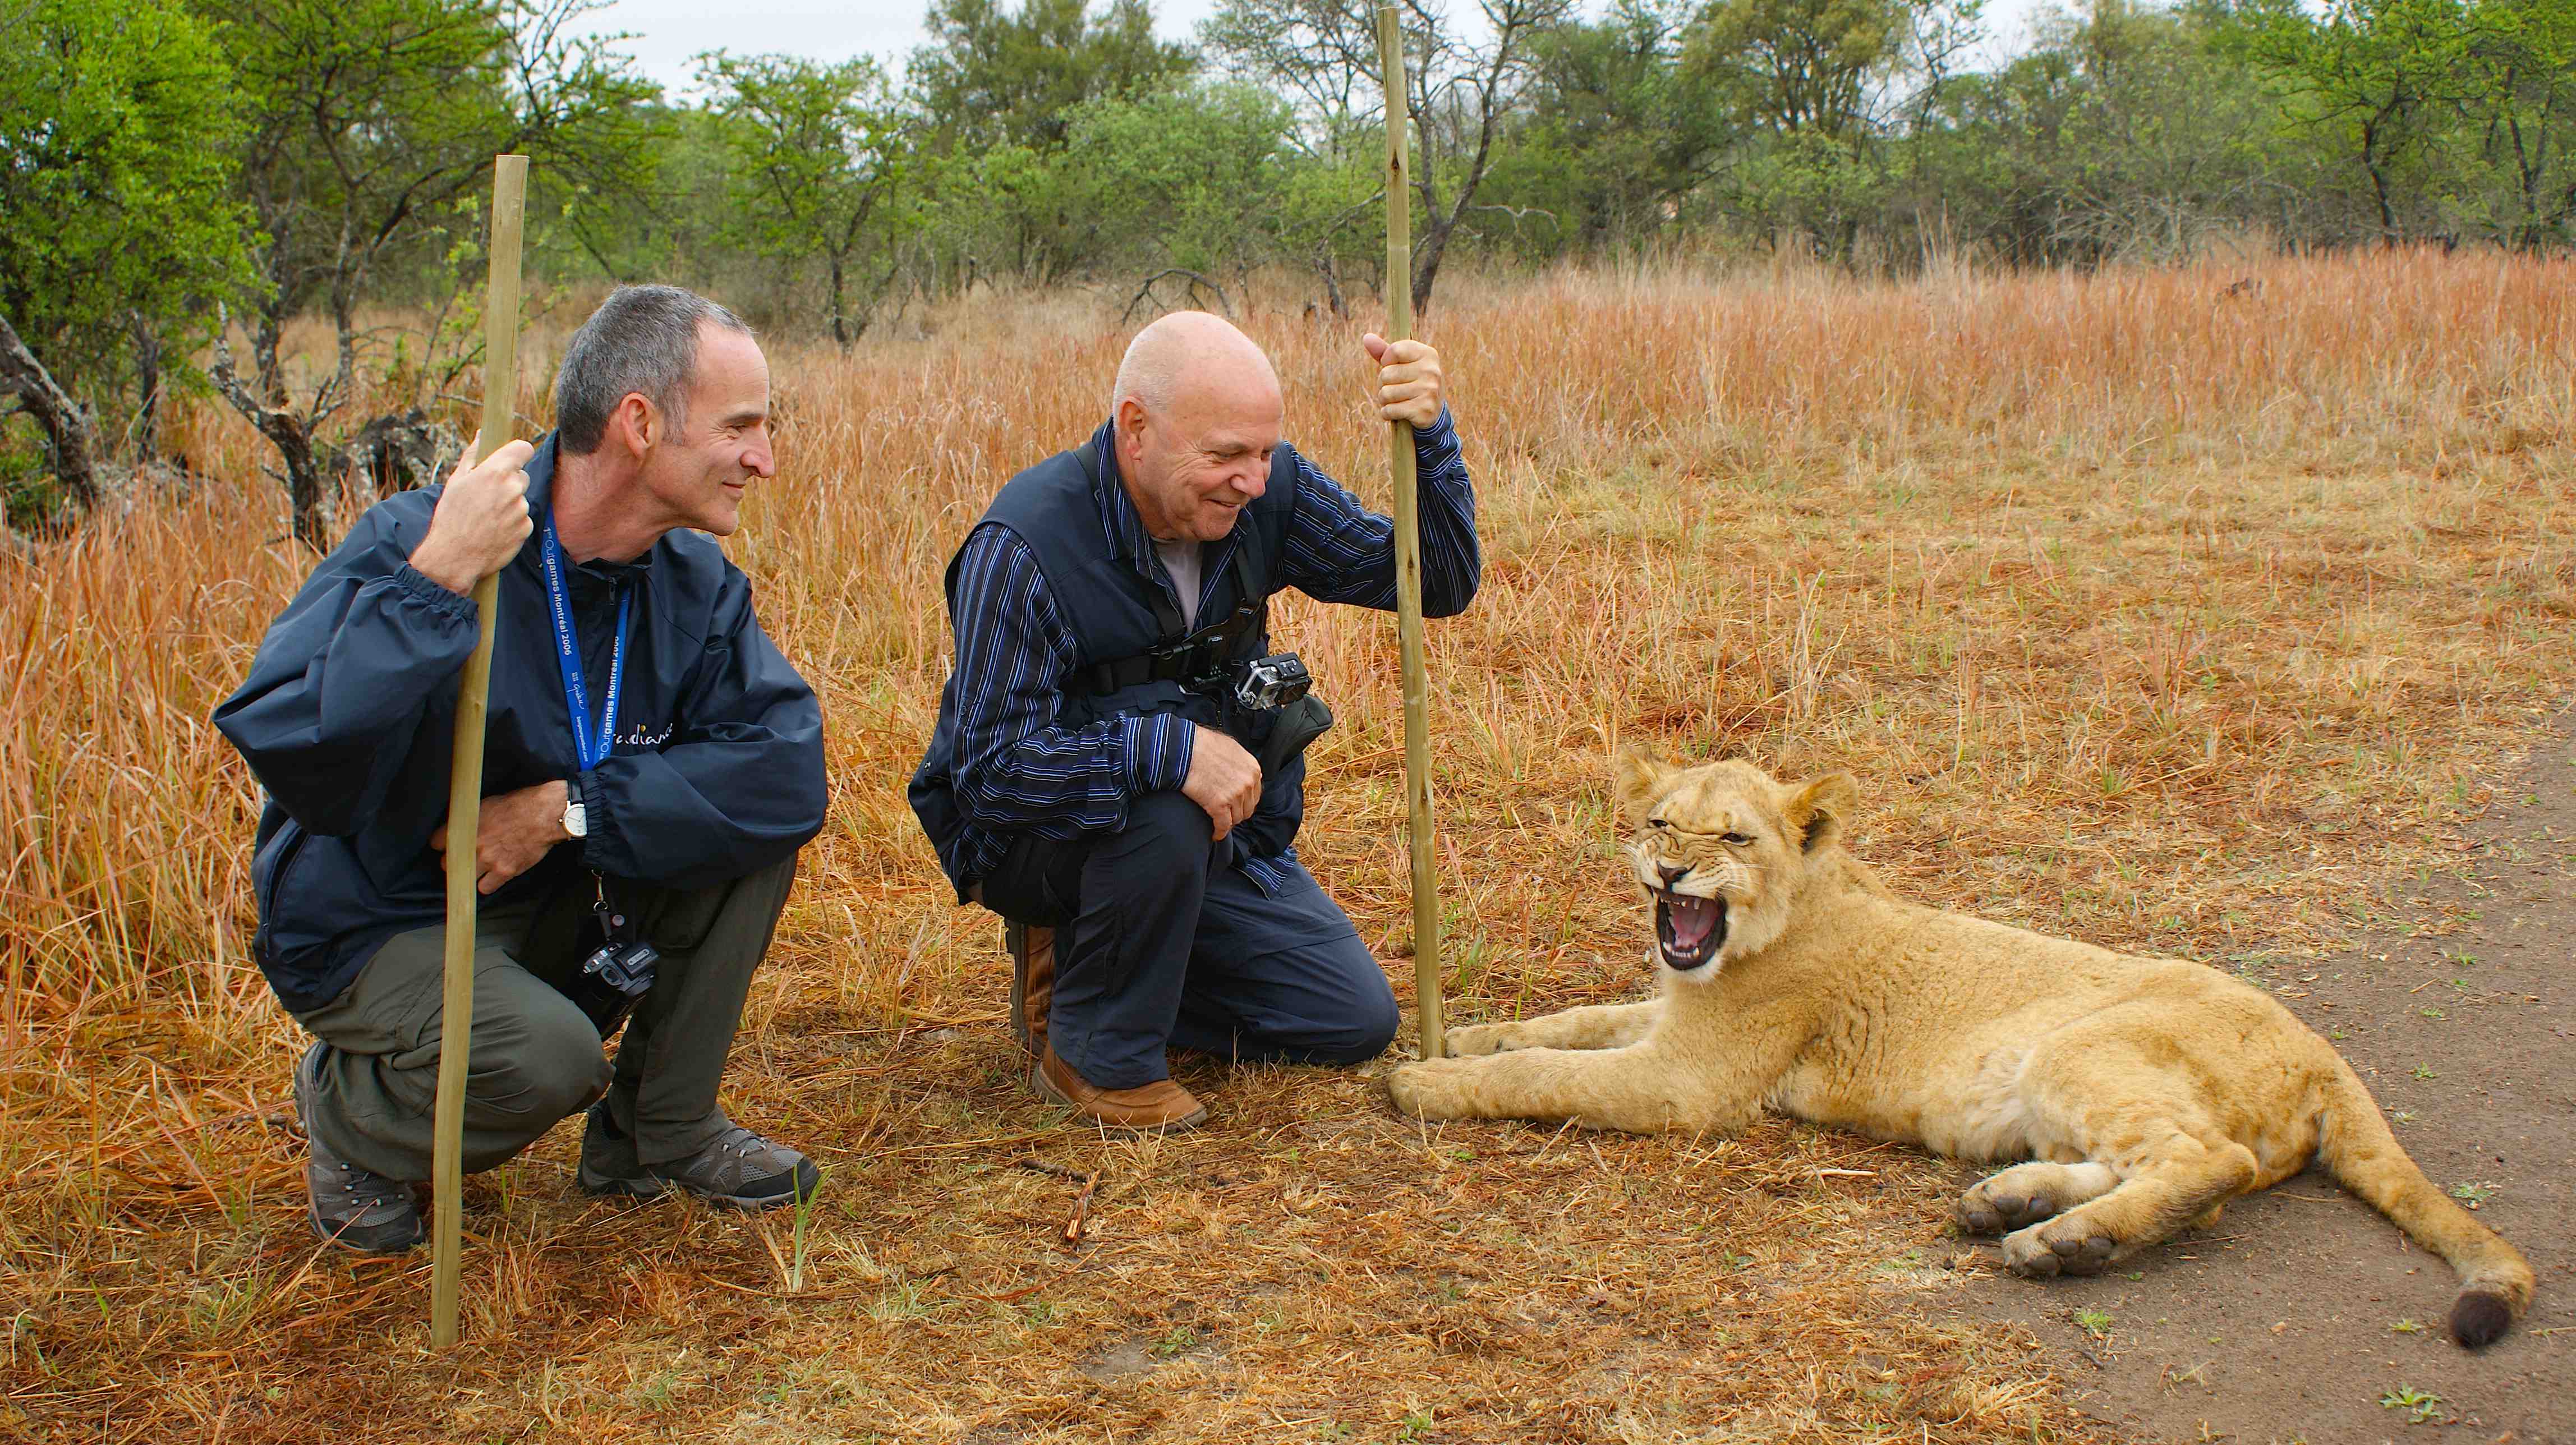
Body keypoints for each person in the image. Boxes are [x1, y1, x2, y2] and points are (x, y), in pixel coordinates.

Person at [214, 286, 828, 1254]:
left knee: (749, 838)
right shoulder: (425, 540)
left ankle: (656, 1140)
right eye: (741, 427)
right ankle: (349, 1117)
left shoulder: (691, 582)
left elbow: (788, 771)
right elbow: (299, 755)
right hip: (382, 917)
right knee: (547, 1061)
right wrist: (436, 582)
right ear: (639, 423)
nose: (765, 458)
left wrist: (569, 808)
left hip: (555, 891)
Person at [909, 311, 1479, 1134]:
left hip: (1213, 841)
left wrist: (1431, 440)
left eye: (1265, 453)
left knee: (1350, 1021)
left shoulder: (1264, 494)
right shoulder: (1026, 543)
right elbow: (991, 775)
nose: (1251, 480)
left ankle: (1094, 971)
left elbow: (1440, 583)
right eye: (1224, 457)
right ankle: (1095, 1056)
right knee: (1166, 800)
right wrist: (1167, 747)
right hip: (1039, 840)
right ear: (1134, 429)